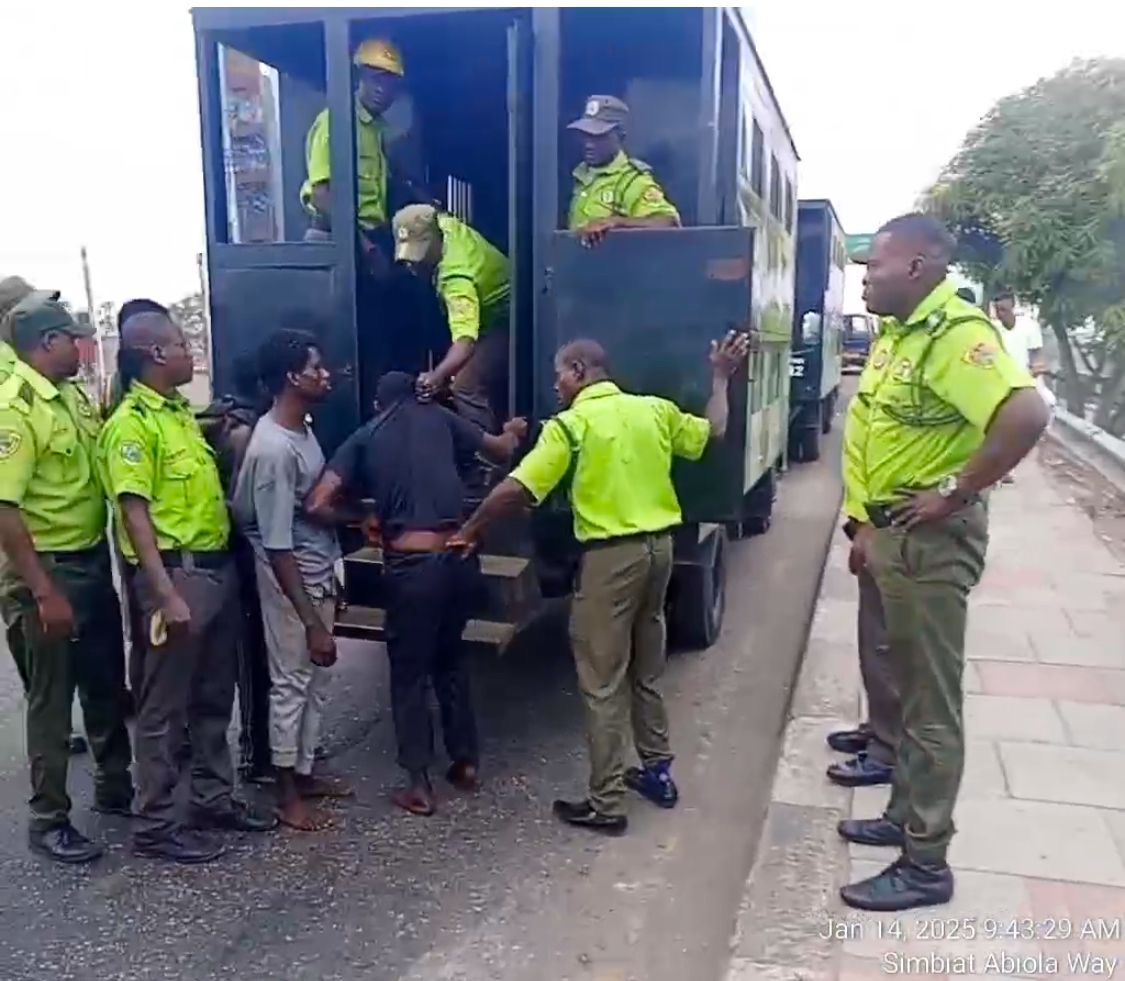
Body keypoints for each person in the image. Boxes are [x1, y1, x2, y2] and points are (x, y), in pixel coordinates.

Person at [451, 332, 750, 834]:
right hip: (661, 551)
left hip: (612, 559)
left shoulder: (570, 427)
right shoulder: (653, 410)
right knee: (645, 669)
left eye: (559, 376)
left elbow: (517, 488)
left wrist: (469, 529)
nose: (556, 386)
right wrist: (720, 378)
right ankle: (657, 772)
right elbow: (714, 431)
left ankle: (607, 803)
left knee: (600, 680)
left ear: (579, 372)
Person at [837, 213, 1049, 912]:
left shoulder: (957, 337)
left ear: (919, 267)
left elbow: (1025, 413)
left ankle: (925, 862)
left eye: (876, 266)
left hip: (930, 545)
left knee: (930, 705)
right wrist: (866, 522)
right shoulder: (899, 335)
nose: (864, 276)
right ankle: (902, 814)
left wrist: (956, 491)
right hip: (895, 536)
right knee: (904, 683)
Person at [98, 310, 276, 864]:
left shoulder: (177, 415)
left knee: (212, 697)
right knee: (163, 706)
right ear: (154, 354)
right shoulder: (132, 426)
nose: (188, 351)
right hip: (176, 576)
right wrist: (164, 592)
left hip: (212, 570)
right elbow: (135, 515)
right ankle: (154, 824)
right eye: (179, 343)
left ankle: (212, 799)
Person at [307, 371, 525, 816]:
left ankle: (419, 785)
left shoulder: (367, 434)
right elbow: (501, 450)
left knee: (409, 675)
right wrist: (513, 431)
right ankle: (464, 763)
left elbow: (316, 502)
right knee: (452, 661)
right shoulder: (443, 418)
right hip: (460, 562)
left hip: (412, 570)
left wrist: (359, 518)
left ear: (377, 403)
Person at [0, 294, 133, 863]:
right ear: (45, 344)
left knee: (105, 682)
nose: (81, 346)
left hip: (89, 556)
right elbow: (3, 508)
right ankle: (48, 817)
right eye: (71, 338)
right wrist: (43, 590)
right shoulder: (16, 408)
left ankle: (115, 786)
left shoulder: (71, 397)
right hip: (48, 568)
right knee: (52, 703)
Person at [232, 330, 352, 831]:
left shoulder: (302, 427)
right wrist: (310, 621)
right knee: (292, 682)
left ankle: (304, 771)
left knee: (317, 679)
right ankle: (285, 790)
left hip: (319, 570)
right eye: (316, 367)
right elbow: (275, 542)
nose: (326, 374)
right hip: (292, 580)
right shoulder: (273, 449)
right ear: (291, 377)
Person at [197, 352, 274, 785]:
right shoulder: (245, 432)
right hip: (244, 553)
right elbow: (246, 506)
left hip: (223, 552)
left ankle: (246, 752)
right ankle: (256, 754)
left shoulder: (219, 417)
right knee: (255, 661)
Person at [301, 38, 430, 266]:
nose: (382, 90)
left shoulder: (377, 129)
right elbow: (322, 196)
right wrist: (364, 247)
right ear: (359, 77)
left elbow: (395, 178)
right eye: (375, 80)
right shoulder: (335, 122)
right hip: (336, 240)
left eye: (390, 84)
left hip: (366, 237)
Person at [392, 204, 511, 434]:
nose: (412, 264)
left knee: (465, 386)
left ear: (435, 239)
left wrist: (437, 376)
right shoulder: (443, 224)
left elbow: (465, 342)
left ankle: (487, 458)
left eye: (420, 254)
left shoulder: (456, 280)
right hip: (486, 314)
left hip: (507, 321)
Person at [824, 522, 897, 789]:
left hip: (896, 525)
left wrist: (872, 525)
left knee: (888, 646)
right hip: (882, 526)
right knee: (876, 640)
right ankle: (881, 728)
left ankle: (889, 748)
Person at [566, 95, 680, 248]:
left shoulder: (631, 180)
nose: (589, 144)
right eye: (586, 136)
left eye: (599, 136)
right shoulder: (580, 175)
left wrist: (616, 222)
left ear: (620, 136)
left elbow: (668, 223)